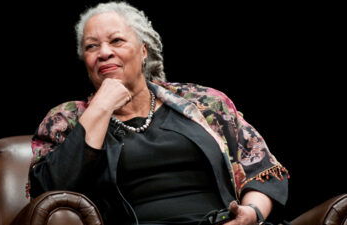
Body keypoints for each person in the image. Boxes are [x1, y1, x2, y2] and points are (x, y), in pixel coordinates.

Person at [28, 2, 289, 225]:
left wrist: (252, 214)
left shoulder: (203, 102)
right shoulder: (67, 119)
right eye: (91, 47)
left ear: (143, 51)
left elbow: (263, 168)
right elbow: (49, 190)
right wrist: (101, 107)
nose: (104, 53)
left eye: (116, 40)